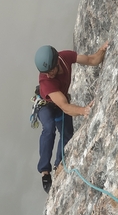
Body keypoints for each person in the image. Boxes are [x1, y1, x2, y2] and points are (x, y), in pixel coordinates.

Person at [34, 42, 108, 193]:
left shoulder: (65, 57)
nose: (47, 75)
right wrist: (83, 111)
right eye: (45, 72)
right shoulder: (46, 81)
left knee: (67, 134)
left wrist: (102, 49)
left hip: (61, 103)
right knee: (49, 129)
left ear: (56, 62)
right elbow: (65, 107)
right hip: (46, 106)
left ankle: (58, 164)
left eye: (50, 71)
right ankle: (45, 172)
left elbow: (91, 60)